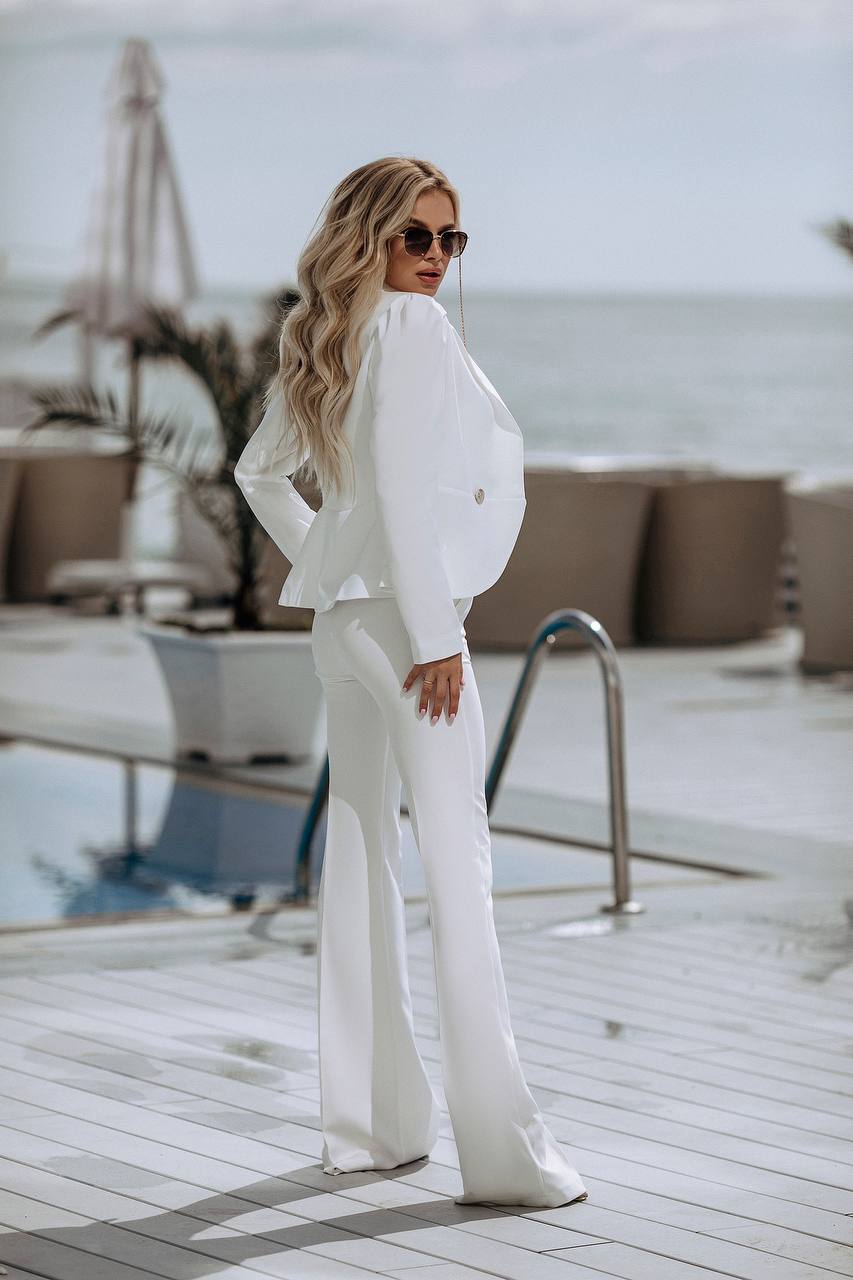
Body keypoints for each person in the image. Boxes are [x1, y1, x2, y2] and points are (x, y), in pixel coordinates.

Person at [234, 156, 588, 1208]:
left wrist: (324, 567)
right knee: (460, 874)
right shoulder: (412, 329)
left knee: (360, 858)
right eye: (414, 237)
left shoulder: (327, 333)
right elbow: (398, 482)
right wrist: (434, 633)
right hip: (406, 629)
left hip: (344, 623)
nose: (434, 258)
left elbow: (260, 473)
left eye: (450, 240)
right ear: (371, 235)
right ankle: (506, 1156)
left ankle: (375, 1126)